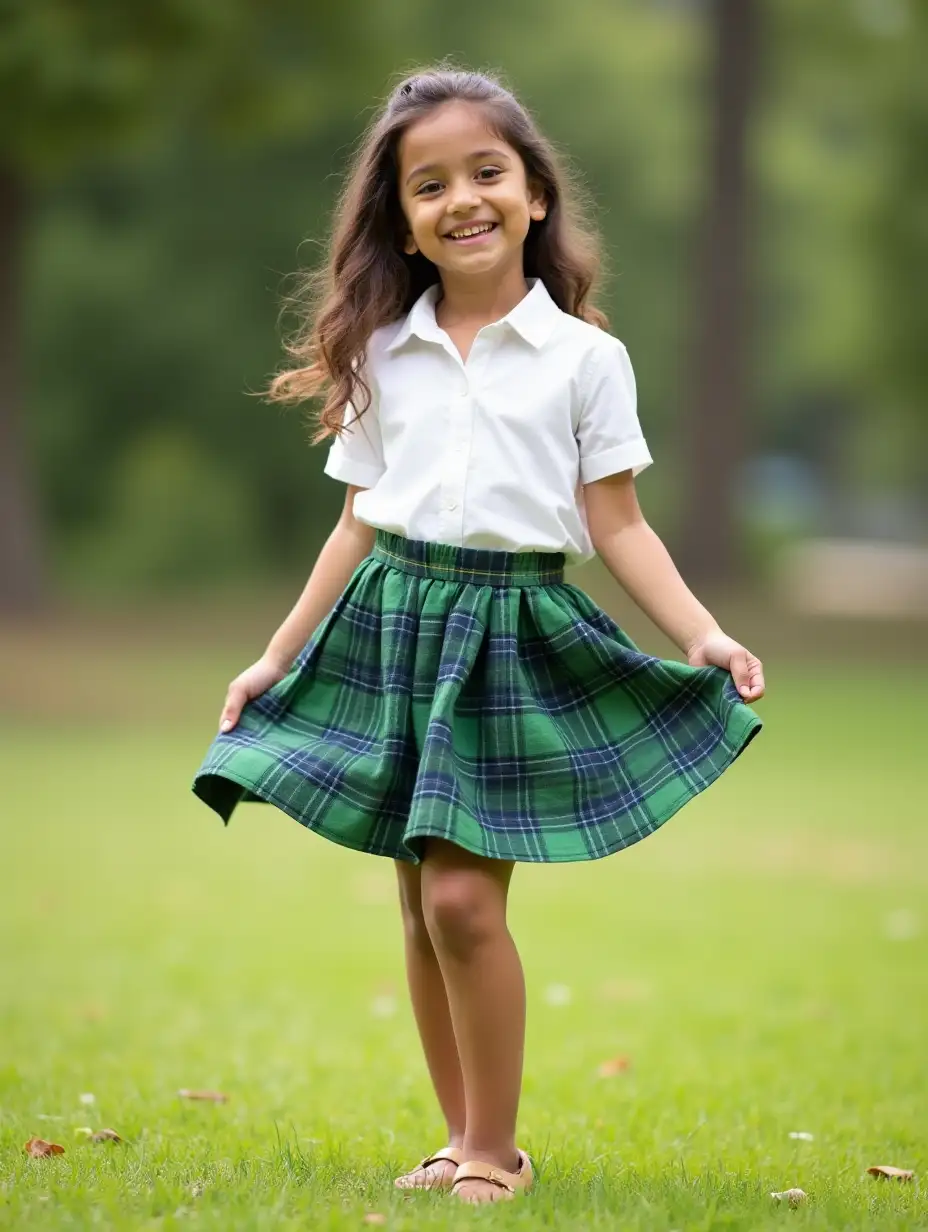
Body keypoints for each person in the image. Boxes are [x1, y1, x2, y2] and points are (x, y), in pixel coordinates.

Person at [192, 66, 765, 1204]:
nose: (462, 198)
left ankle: (498, 1151)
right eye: (428, 183)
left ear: (535, 193)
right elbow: (354, 525)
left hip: (509, 631)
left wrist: (701, 630)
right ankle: (461, 1139)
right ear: (399, 218)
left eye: (486, 172)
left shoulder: (585, 359)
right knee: (418, 897)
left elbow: (618, 523)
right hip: (390, 620)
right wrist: (275, 653)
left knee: (462, 898)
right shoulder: (384, 351)